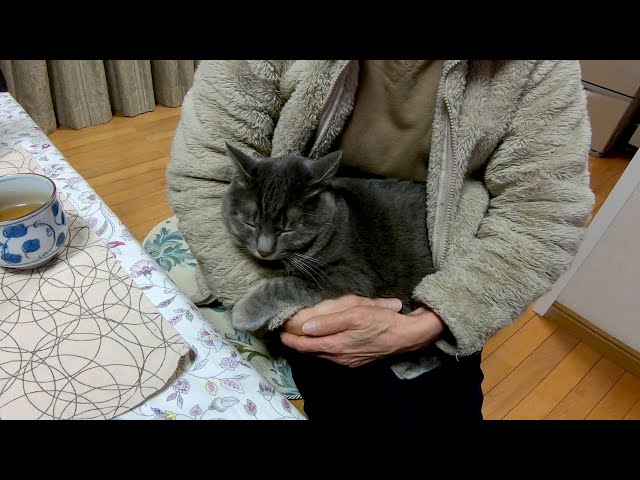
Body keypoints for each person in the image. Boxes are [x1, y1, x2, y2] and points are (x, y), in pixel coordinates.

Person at [167, 60, 594, 421]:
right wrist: (285, 309)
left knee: (445, 404)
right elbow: (202, 174)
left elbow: (545, 212)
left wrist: (434, 320)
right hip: (304, 231)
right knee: (347, 398)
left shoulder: (538, 68)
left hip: (443, 264)